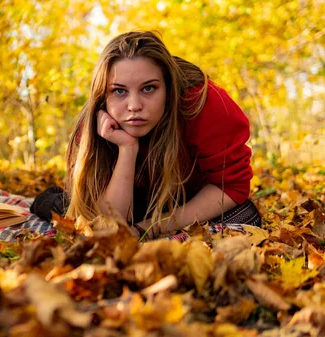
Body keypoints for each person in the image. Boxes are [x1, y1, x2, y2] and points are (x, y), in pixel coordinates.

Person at [31, 31, 261, 240]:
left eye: (148, 88)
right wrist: (127, 148)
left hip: (189, 200)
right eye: (119, 91)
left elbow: (231, 186)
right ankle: (55, 200)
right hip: (129, 199)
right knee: (74, 214)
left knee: (247, 217)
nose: (134, 106)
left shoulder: (203, 103)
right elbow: (110, 222)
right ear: (104, 96)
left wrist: (149, 228)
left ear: (169, 89)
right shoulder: (93, 126)